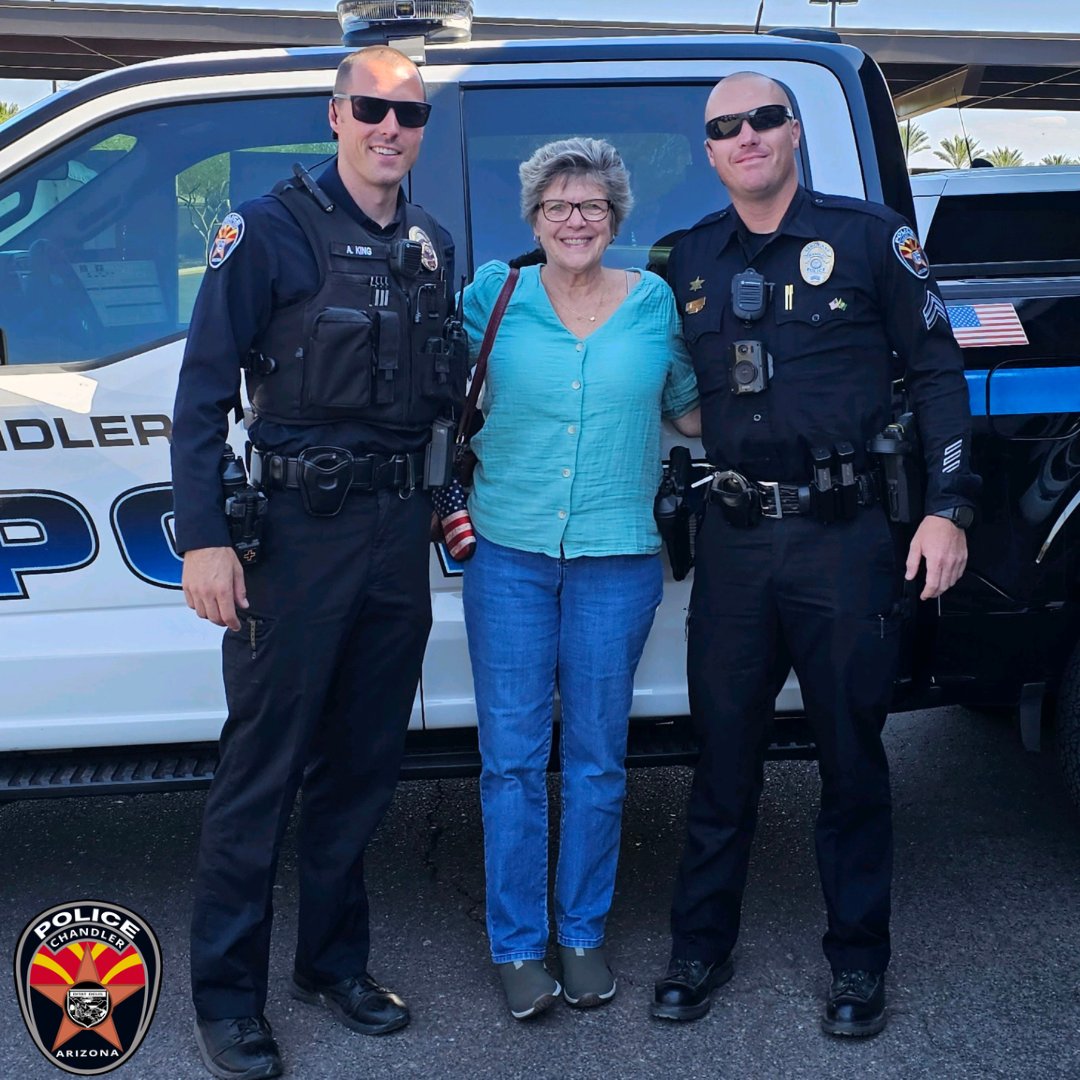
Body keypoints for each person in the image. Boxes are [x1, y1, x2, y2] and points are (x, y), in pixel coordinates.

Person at [651, 73, 979, 1037]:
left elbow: (939, 379)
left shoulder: (874, 238)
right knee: (722, 759)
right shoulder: (687, 258)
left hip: (846, 543)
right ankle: (700, 948)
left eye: (763, 119)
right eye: (725, 127)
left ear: (793, 133)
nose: (746, 136)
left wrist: (949, 508)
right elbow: (634, 348)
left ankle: (858, 961)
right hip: (737, 543)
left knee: (850, 758)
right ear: (708, 151)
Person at [171, 46, 460, 1080]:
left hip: (394, 538)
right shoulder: (269, 228)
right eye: (373, 108)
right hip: (292, 539)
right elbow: (202, 390)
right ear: (335, 115)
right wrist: (205, 536)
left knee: (362, 769)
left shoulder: (432, 243)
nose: (392, 127)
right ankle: (228, 1001)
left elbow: (439, 400)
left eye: (410, 113)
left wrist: (449, 502)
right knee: (262, 774)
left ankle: (331, 964)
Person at [460, 137, 700, 1020]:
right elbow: (425, 381)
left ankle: (583, 933)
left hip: (619, 559)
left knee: (598, 760)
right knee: (513, 764)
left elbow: (689, 407)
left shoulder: (653, 302)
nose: (575, 219)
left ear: (615, 217)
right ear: (534, 218)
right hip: (509, 557)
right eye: (558, 205)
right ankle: (519, 946)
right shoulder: (496, 295)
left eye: (592, 205)